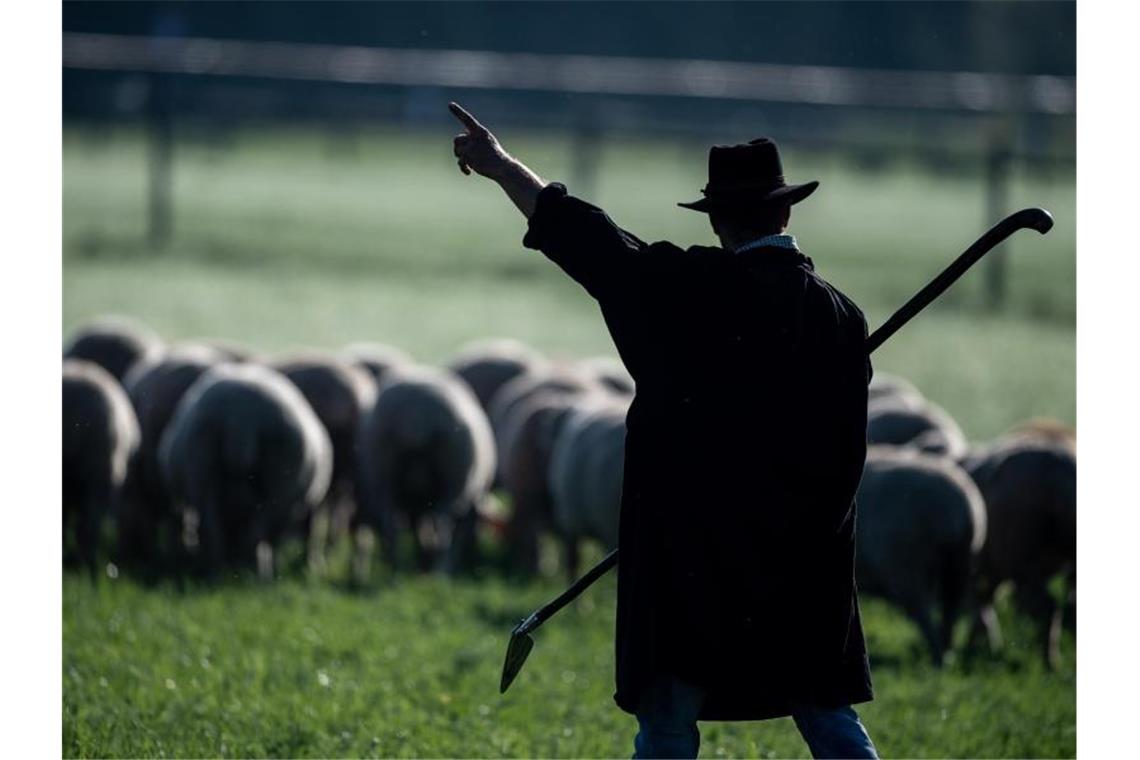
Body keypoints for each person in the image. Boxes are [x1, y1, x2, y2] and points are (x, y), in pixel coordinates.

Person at [450, 102, 878, 760]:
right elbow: (848, 460)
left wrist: (501, 165)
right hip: (799, 565)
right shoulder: (839, 317)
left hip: (690, 564)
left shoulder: (683, 289)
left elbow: (589, 238)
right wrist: (791, 528)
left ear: (718, 221)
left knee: (669, 722)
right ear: (785, 215)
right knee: (826, 713)